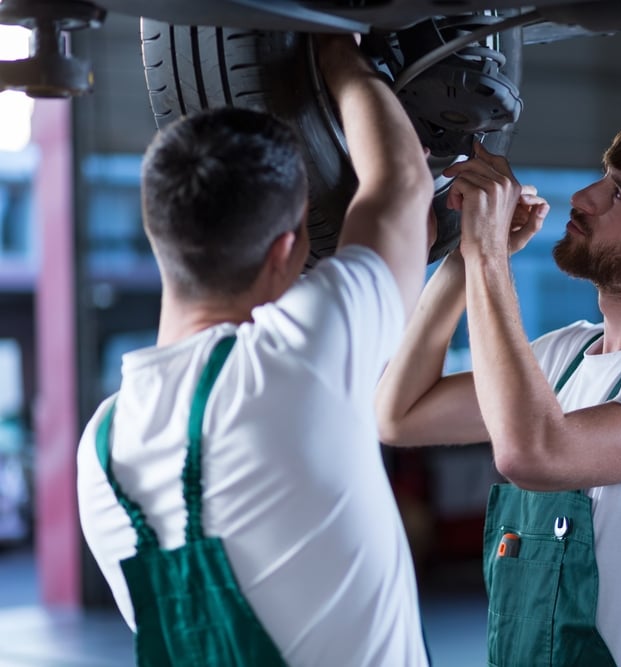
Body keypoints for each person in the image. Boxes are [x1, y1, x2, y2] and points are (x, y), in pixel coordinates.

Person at [76, 34, 435, 666]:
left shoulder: (100, 449)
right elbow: (402, 182)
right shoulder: (296, 358)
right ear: (283, 252)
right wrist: (338, 51)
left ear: (162, 238)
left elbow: (401, 190)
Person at [375, 113, 621, 666]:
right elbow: (399, 414)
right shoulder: (565, 354)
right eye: (602, 178)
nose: (585, 198)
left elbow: (534, 453)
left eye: (617, 194)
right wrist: (466, 257)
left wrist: (490, 255)